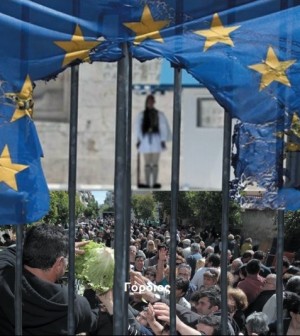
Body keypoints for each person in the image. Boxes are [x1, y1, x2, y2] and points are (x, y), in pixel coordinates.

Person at [0, 224, 112, 335]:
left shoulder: (4, 277)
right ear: (59, 263)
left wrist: (46, 247)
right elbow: (96, 320)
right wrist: (109, 305)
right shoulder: (72, 304)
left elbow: (9, 252)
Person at [135, 94, 171, 188]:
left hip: (156, 139)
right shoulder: (142, 115)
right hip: (145, 140)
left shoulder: (159, 114)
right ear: (146, 102)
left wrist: (163, 140)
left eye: (152, 101)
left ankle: (154, 182)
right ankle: (147, 183)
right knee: (147, 164)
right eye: (149, 101)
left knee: (155, 164)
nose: (150, 103)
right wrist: (139, 139)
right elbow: (138, 128)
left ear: (154, 102)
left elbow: (163, 127)